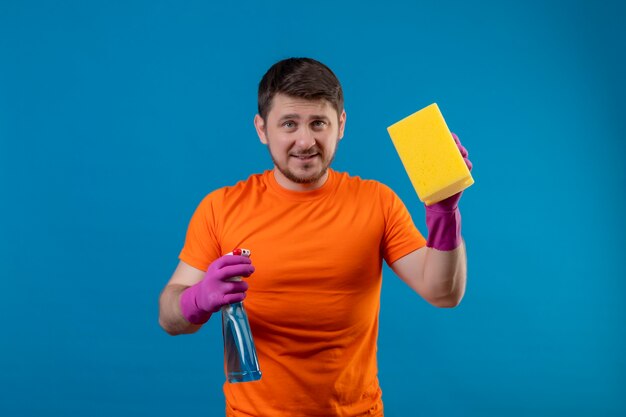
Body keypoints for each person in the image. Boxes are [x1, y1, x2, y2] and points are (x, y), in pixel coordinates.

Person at [158, 57, 472, 417]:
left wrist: (444, 213)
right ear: (262, 129)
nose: (305, 141)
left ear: (340, 125)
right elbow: (169, 318)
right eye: (289, 124)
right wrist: (195, 299)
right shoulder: (220, 207)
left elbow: (443, 293)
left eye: (318, 123)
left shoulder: (377, 202)